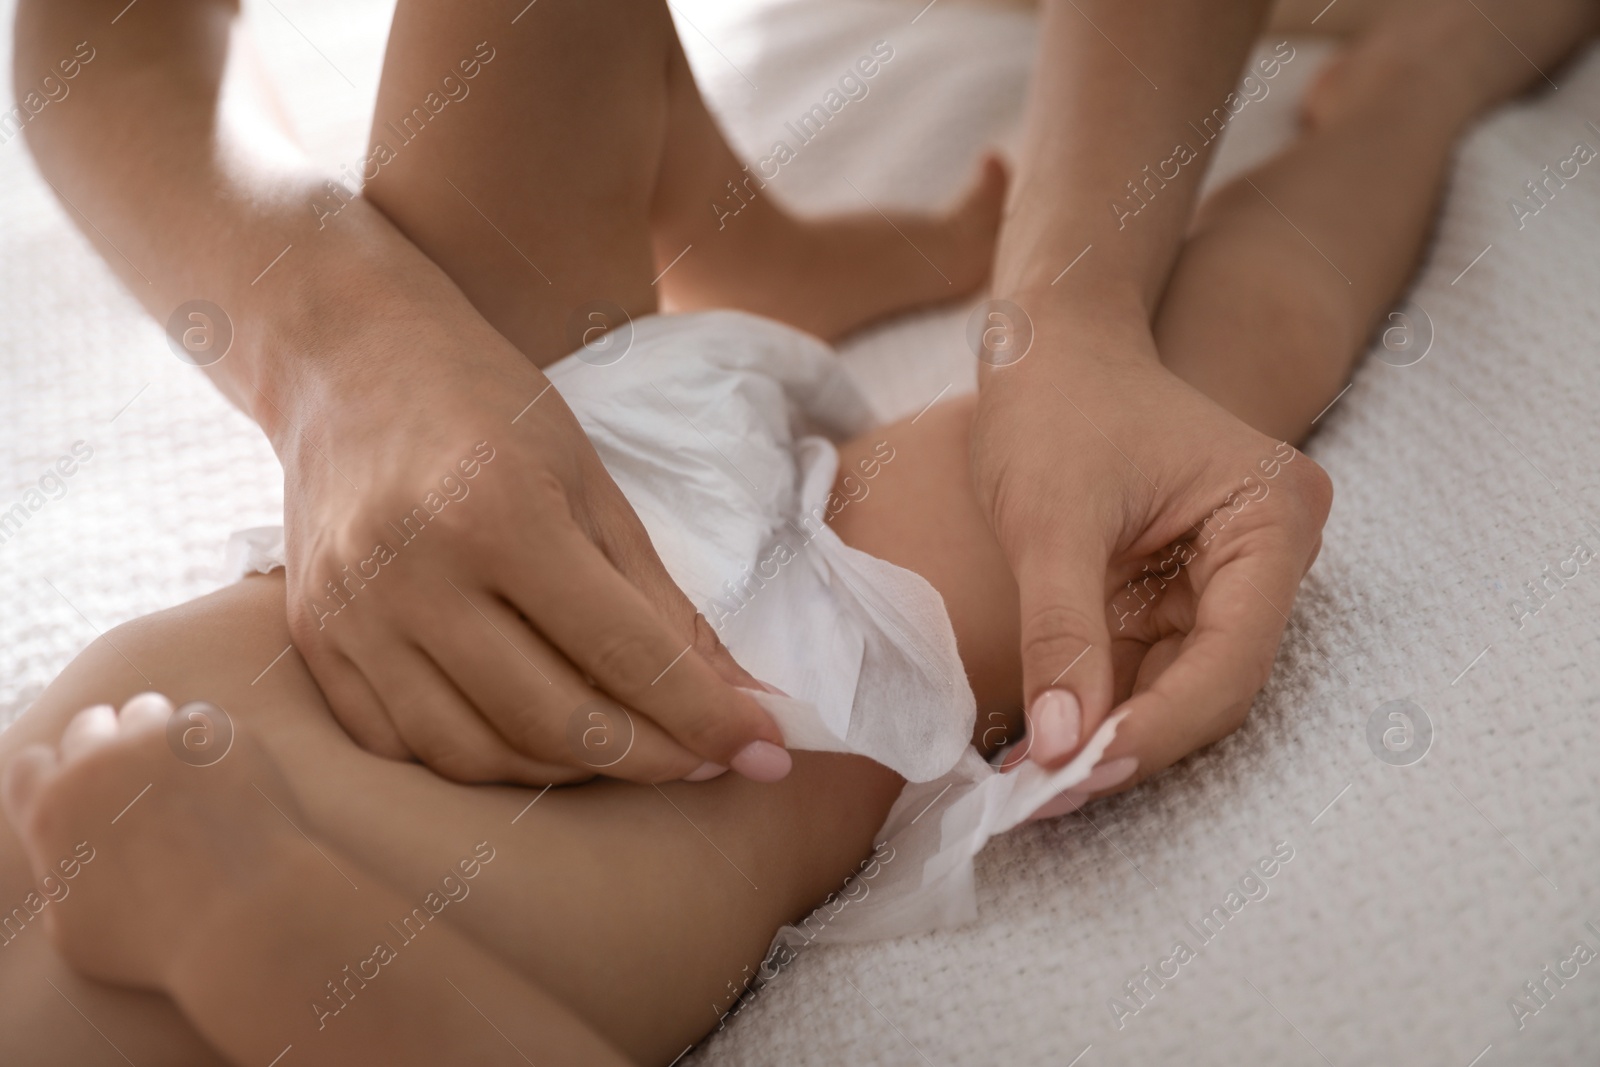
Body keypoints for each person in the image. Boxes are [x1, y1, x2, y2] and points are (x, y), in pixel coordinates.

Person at [5, 1, 1594, 1063]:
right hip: (789, 661)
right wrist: (244, 918)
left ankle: (751, 253)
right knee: (1179, 408)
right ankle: (1412, 90)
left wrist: (347, 350)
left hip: (508, 433)